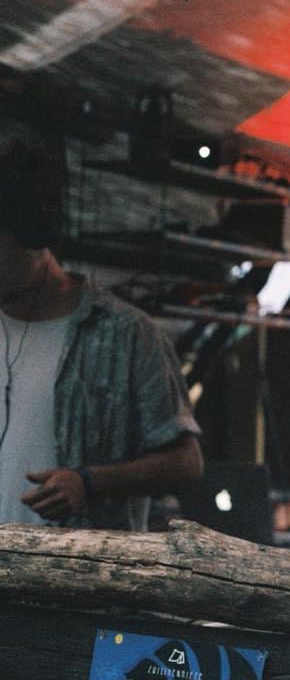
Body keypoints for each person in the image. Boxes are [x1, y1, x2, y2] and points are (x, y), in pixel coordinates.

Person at [0, 138, 203, 529]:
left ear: (30, 235)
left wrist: (90, 482)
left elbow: (186, 461)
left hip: (77, 583)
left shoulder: (127, 334)